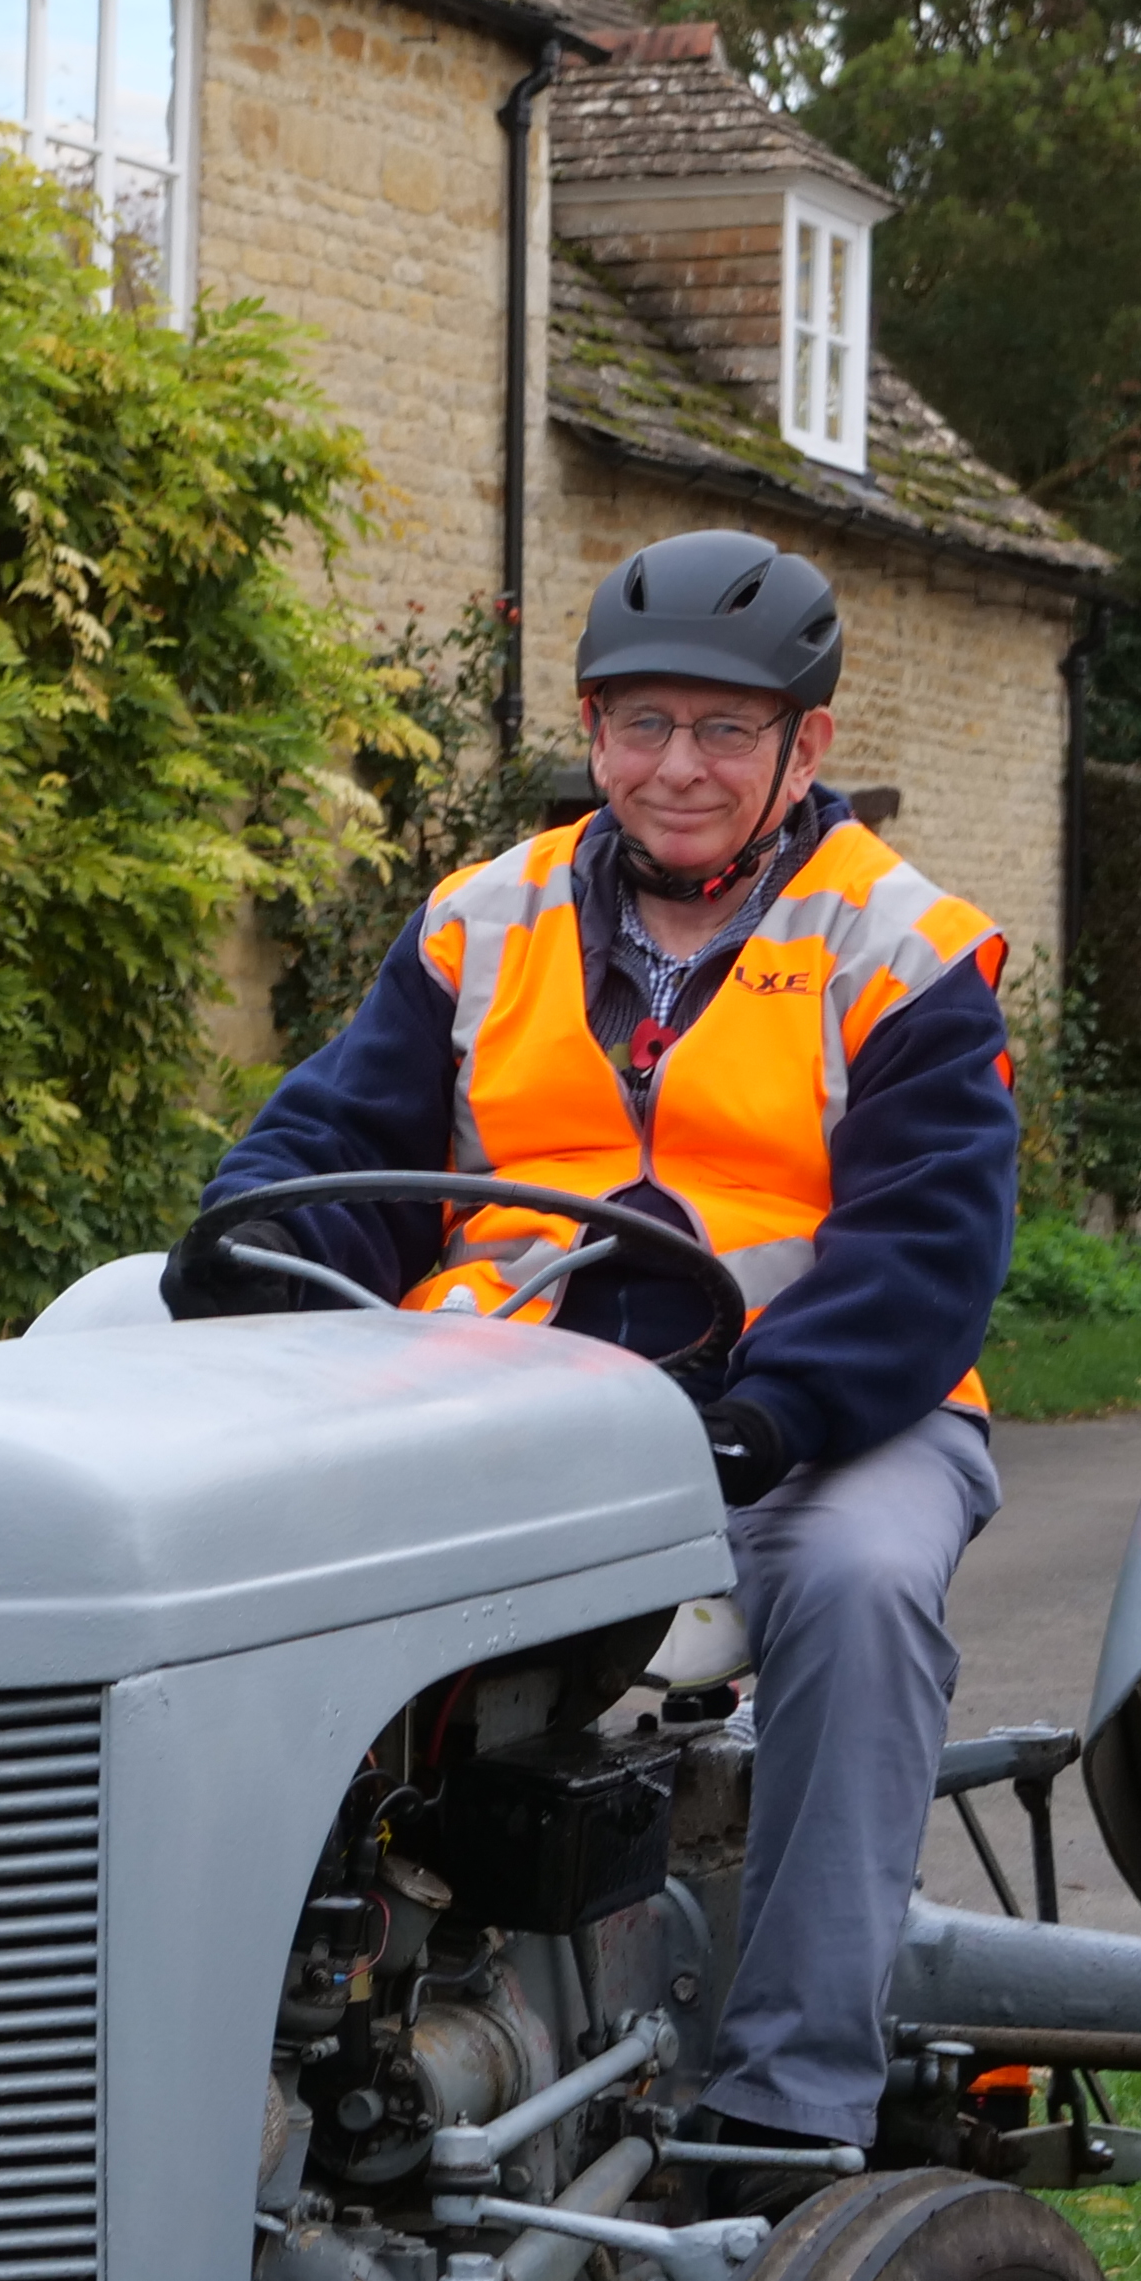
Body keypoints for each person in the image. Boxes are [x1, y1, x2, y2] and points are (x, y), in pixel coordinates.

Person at [170, 529, 1012, 2169]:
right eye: (638, 724)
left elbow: (923, 1252)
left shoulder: (899, 947)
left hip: (816, 1415)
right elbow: (331, 1152)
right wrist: (261, 1251)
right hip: (502, 1412)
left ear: (804, 744)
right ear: (588, 724)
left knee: (851, 1586)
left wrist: (764, 1416)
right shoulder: (480, 922)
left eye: (719, 729)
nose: (672, 767)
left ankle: (783, 2103)